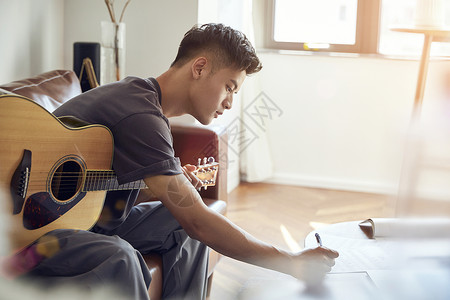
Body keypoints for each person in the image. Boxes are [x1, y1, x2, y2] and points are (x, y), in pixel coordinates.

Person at [17, 23, 339, 299]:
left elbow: (97, 189)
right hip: (28, 229)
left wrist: (164, 188)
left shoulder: (145, 103)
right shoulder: (140, 114)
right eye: (229, 87)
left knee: (179, 227)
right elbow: (198, 221)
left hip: (81, 220)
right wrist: (288, 260)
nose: (229, 102)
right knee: (124, 256)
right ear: (199, 68)